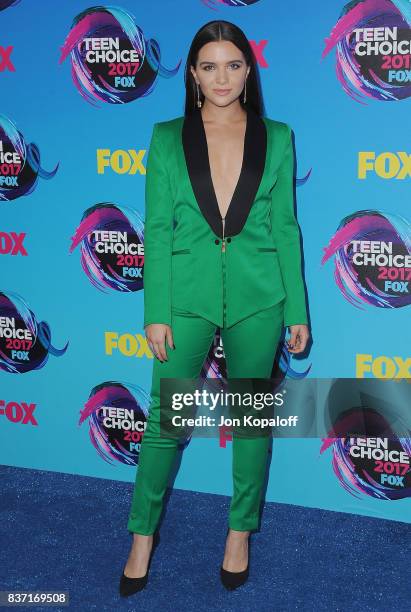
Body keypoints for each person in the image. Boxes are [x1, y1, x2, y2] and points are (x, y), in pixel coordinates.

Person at [120, 19, 310, 597]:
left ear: (248, 70)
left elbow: (286, 226)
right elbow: (155, 227)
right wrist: (155, 309)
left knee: (251, 420)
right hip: (184, 297)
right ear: (193, 74)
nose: (220, 77)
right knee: (166, 422)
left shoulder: (276, 136)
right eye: (208, 66)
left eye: (232, 64)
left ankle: (239, 533)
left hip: (261, 296)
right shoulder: (164, 135)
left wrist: (298, 309)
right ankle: (141, 537)